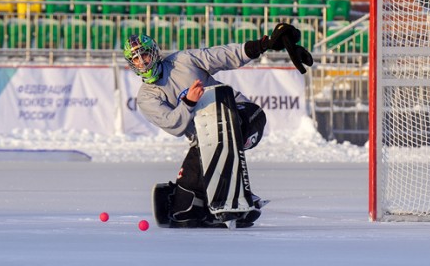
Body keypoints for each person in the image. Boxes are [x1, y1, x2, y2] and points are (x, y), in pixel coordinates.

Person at [124, 24, 313, 228]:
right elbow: (173, 125)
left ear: (154, 53)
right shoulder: (146, 97)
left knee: (224, 128)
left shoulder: (181, 61)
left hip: (246, 116)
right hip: (205, 141)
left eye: (145, 55)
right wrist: (188, 102)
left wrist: (262, 45)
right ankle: (215, 203)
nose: (143, 61)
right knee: (182, 212)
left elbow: (221, 56)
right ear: (132, 64)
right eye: (136, 59)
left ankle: (234, 193)